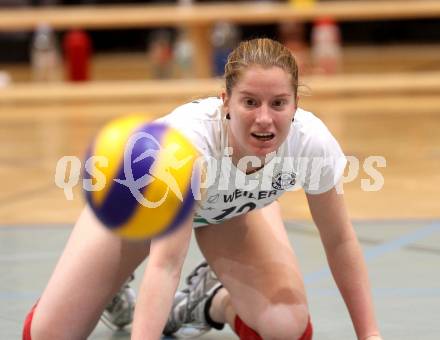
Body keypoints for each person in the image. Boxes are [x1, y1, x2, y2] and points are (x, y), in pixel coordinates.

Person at [23, 38, 382, 340]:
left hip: (227, 211)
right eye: (249, 102)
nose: (264, 118)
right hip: (138, 206)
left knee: (286, 326)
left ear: (295, 104)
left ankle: (212, 301)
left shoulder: (311, 143)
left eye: (278, 103)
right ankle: (111, 288)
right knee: (48, 335)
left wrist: (370, 336)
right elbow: (166, 266)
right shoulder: (188, 148)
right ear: (225, 101)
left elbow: (340, 240)